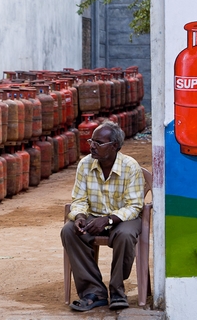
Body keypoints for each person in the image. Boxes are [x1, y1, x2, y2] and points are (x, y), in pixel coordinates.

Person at [61, 120, 145, 311]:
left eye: (98, 143)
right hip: (93, 216)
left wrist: (107, 220)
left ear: (114, 146)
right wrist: (80, 216)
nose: (92, 146)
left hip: (122, 219)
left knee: (125, 235)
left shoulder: (130, 167)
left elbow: (134, 206)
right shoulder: (85, 164)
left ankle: (117, 290)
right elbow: (79, 199)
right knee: (69, 231)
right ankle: (94, 292)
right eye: (92, 141)